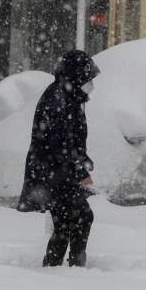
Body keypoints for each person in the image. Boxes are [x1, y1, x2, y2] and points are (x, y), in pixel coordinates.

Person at [17, 50, 99, 268]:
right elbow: (60, 144)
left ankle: (56, 267)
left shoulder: (67, 96)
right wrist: (81, 171)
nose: (90, 84)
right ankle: (74, 266)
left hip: (56, 172)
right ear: (76, 76)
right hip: (53, 173)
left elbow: (70, 140)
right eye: (88, 78)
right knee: (82, 217)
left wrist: (82, 161)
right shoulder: (58, 99)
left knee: (65, 222)